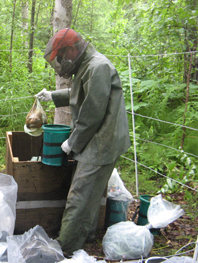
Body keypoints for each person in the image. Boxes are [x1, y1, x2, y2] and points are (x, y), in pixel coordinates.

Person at [35, 28, 131, 255]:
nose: (61, 64)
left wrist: (72, 143)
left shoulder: (97, 67)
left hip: (102, 141)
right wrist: (53, 95)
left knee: (80, 193)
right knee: (90, 191)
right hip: (100, 137)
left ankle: (65, 247)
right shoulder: (88, 66)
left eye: (61, 58)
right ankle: (85, 235)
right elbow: (83, 92)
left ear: (71, 49)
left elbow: (92, 115)